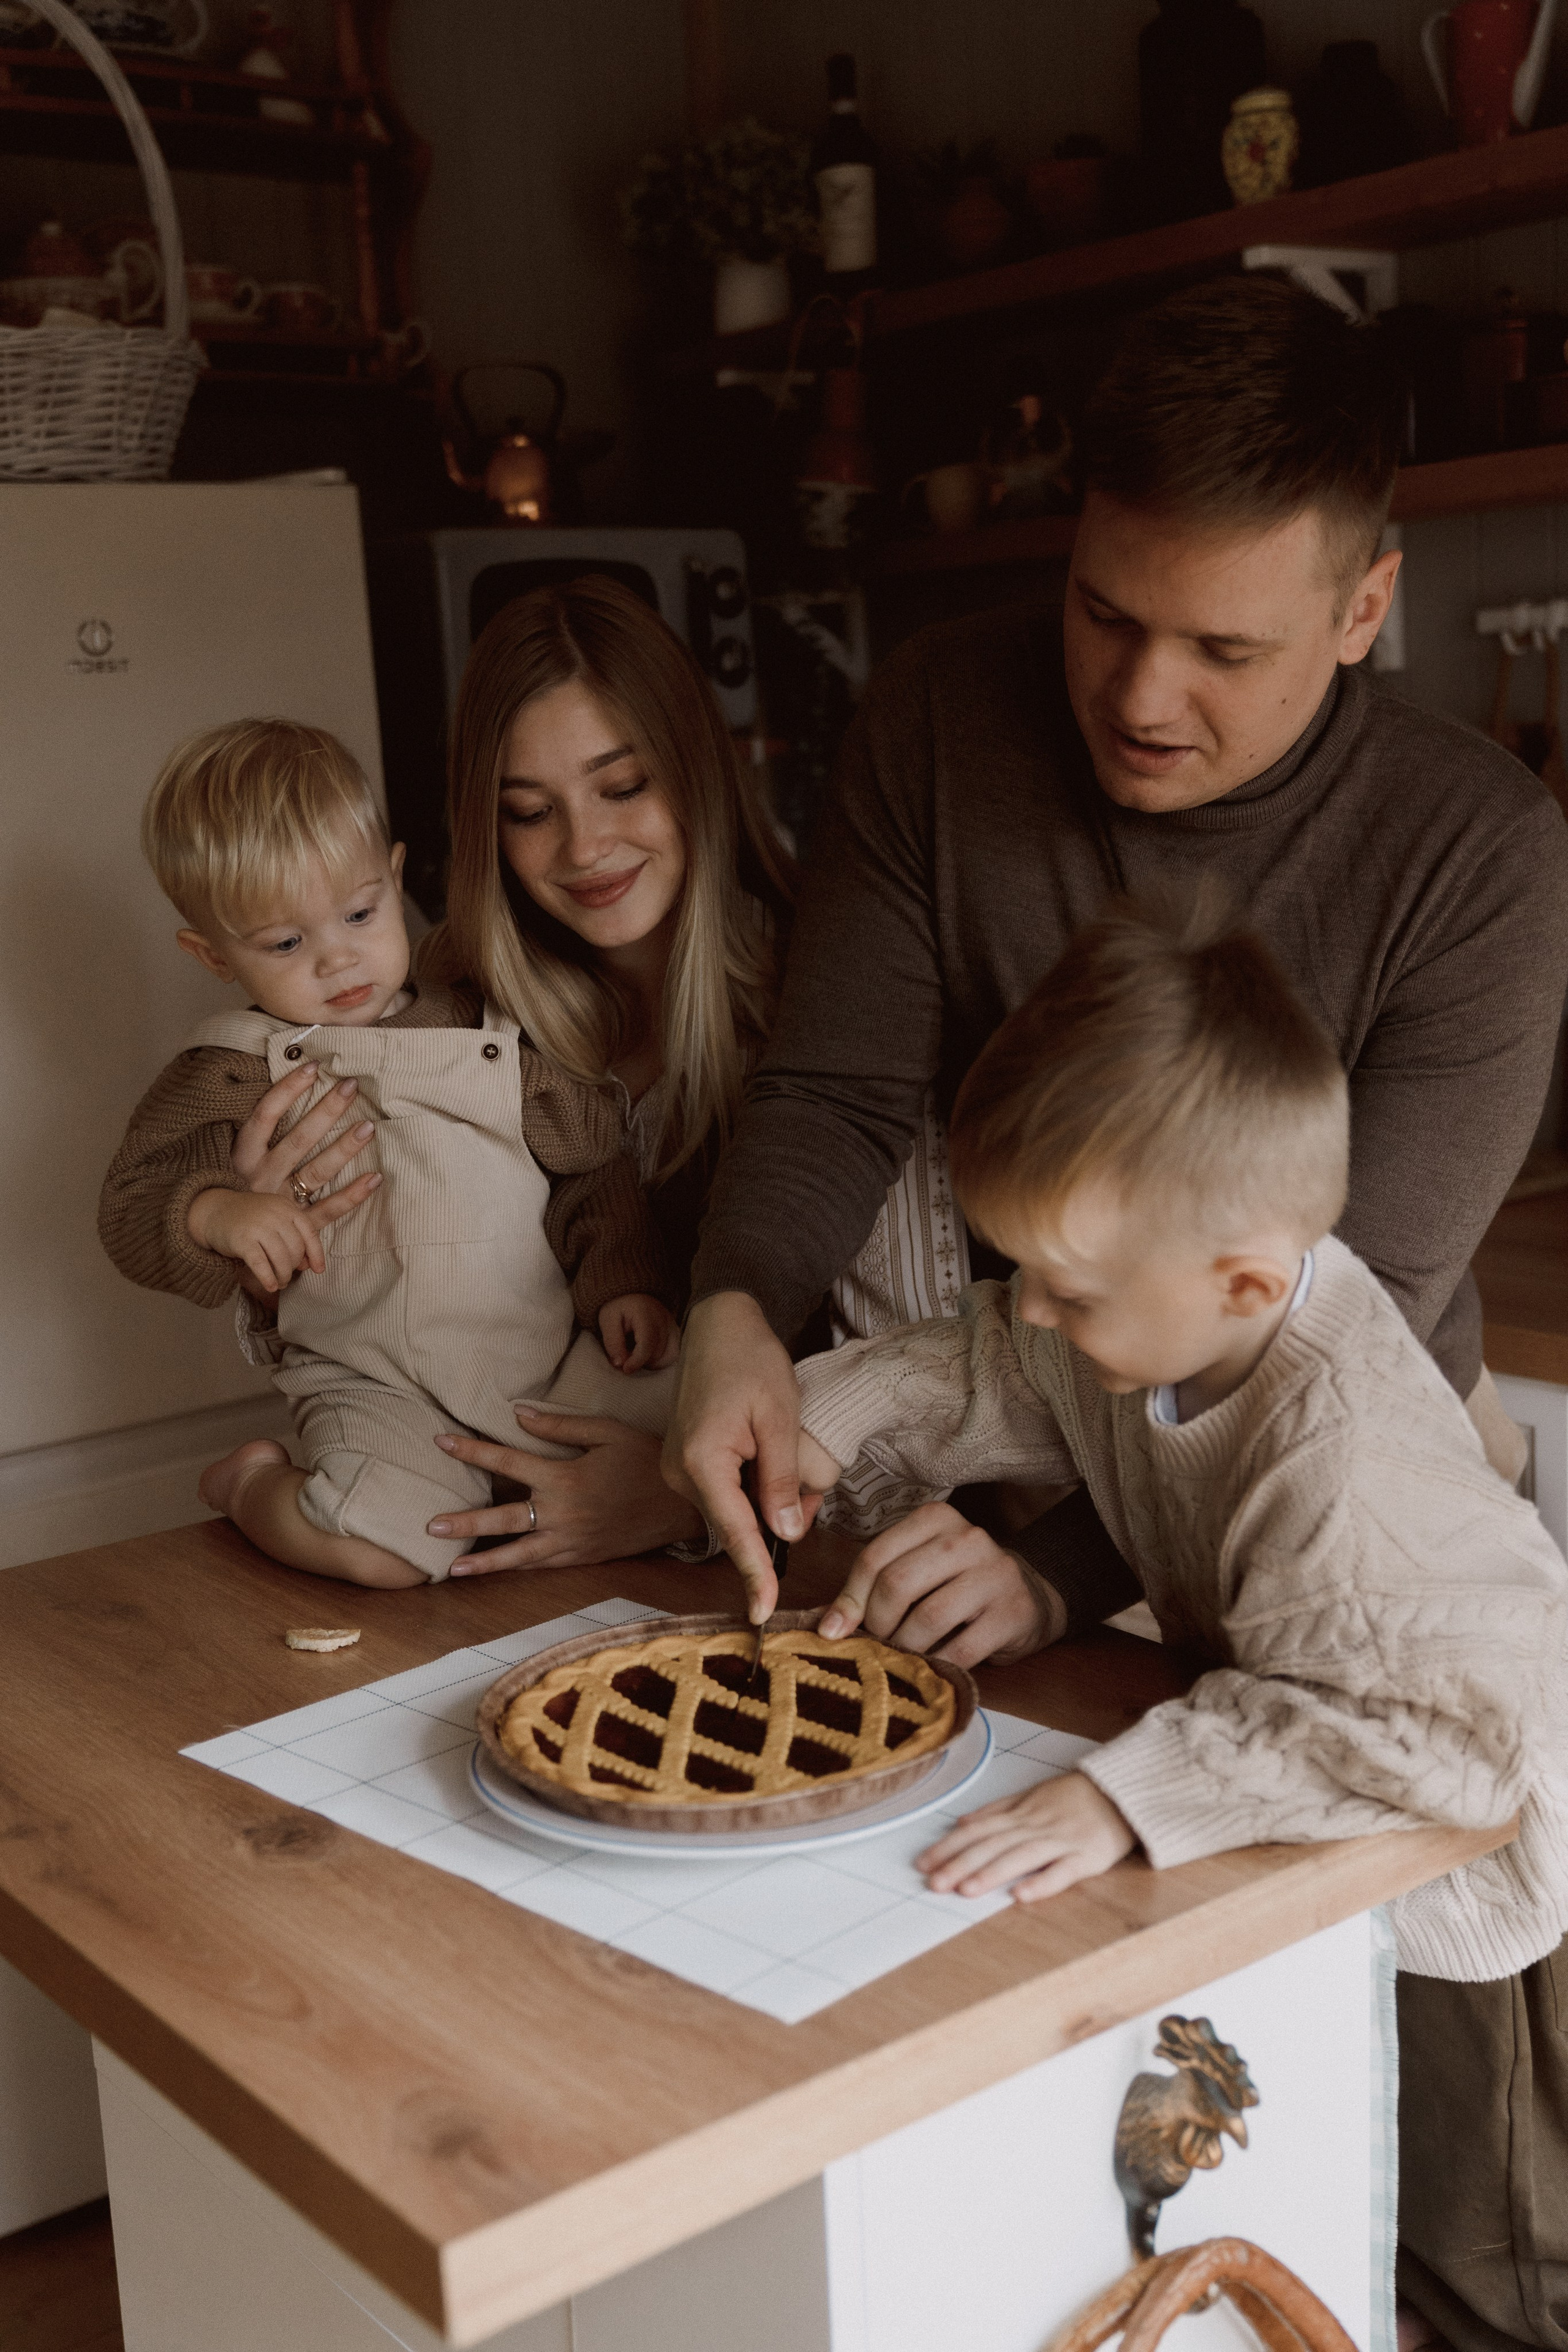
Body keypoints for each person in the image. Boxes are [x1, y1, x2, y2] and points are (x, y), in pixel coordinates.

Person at [663, 271, 1568, 1662]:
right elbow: (834, 1093)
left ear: (1360, 605)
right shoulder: (936, 716)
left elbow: (1342, 1308)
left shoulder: (1482, 851)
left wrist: (1059, 1580)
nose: (1142, 700)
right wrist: (731, 1317)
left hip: (1359, 1507)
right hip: (1059, 1426)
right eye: (1103, 614)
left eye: (1223, 649)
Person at [793, 899, 1568, 2352]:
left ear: (1248, 1285)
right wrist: (821, 1419)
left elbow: (1420, 1738)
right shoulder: (1149, 1310)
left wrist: (1123, 1793)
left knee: (1491, 2257)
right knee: (1348, 2191)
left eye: (1064, 1289)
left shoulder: (1343, 1457)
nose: (1029, 1311)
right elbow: (984, 1365)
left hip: (1481, 1870)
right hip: (1316, 1799)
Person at [405, 576, 967, 1572]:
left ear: (700, 770)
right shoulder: (458, 1020)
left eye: (624, 788)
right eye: (531, 812)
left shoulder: (838, 1014)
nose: (586, 848)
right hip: (477, 1550)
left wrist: (680, 1504)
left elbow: (930, 1421)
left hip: (789, 1585)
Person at [97, 719, 677, 1588]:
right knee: (382, 1553)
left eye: (362, 913)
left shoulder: (490, 1029)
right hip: (376, 1384)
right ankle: (255, 1486)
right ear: (212, 956)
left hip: (548, 1361)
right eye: (287, 944)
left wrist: (623, 1279)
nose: (339, 961)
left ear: (397, 877)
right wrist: (218, 1211)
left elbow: (592, 1167)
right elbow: (132, 1202)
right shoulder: (231, 1069)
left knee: (692, 1419)